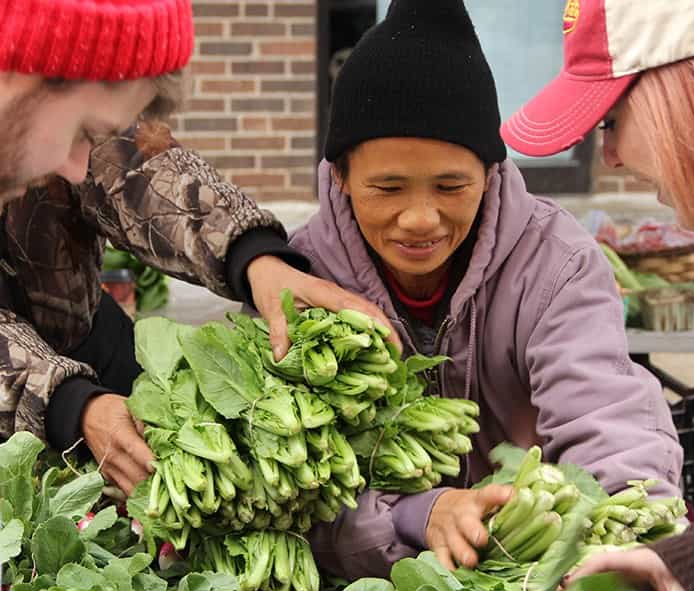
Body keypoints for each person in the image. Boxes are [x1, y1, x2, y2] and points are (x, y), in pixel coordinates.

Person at [291, 0, 682, 579]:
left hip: (533, 573)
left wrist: (629, 531)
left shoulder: (556, 264)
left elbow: (609, 418)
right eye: (387, 187)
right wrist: (417, 514)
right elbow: (288, 494)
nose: (420, 218)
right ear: (341, 178)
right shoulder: (298, 278)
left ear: (491, 173)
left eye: (452, 186)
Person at [420, 0, 694, 591]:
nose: (610, 156)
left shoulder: (553, 257)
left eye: (613, 122)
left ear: (690, 88)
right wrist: (692, 563)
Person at [0, 0, 397, 496]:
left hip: (84, 342)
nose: (80, 169)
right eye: (81, 129)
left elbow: (130, 167)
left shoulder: (36, 122)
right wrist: (68, 405)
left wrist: (254, 257)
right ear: (17, 70)